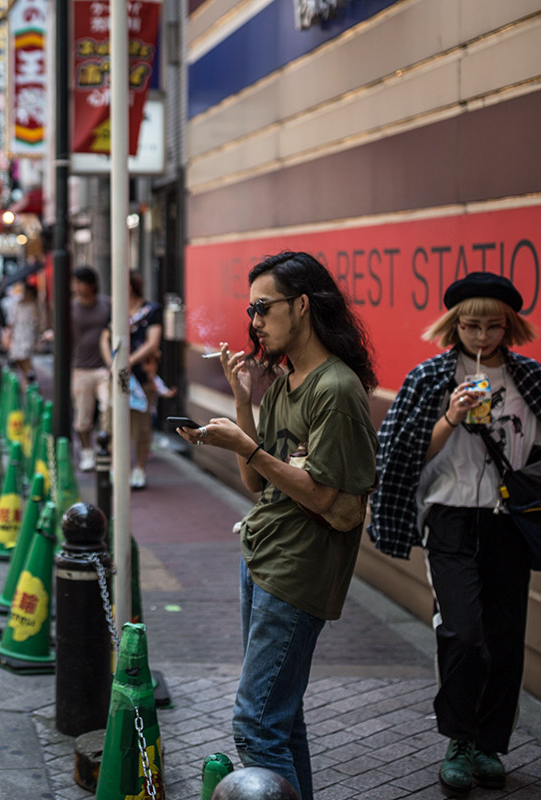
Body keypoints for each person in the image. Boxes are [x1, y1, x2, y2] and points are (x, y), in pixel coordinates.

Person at [368, 272, 541, 797]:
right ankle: (458, 739)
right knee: (463, 632)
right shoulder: (430, 377)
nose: (482, 337)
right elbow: (400, 455)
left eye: (493, 326)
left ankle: (490, 744)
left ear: (510, 326)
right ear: (454, 325)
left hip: (509, 521)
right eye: (471, 325)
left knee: (504, 636)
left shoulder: (530, 378)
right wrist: (451, 417)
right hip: (449, 517)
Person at [175, 252, 378, 800]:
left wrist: (250, 447)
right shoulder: (289, 378)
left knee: (256, 723)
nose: (254, 322)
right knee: (281, 720)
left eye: (263, 308)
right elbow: (258, 485)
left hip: (299, 568)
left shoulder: (334, 390)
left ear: (303, 305)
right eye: (251, 310)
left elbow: (330, 500)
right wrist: (243, 404)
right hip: (264, 557)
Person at [100, 272, 164, 489]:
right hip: (119, 375)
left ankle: (139, 468)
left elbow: (153, 342)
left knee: (141, 424)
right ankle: (116, 466)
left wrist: (129, 361)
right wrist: (113, 364)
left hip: (141, 375)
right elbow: (105, 337)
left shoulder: (151, 311)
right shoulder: (116, 309)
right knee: (114, 420)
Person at [70, 266, 112, 472]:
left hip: (104, 368)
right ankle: (87, 452)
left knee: (108, 408)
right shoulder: (71, 308)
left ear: (92, 284)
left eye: (80, 282)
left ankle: (106, 449)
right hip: (81, 368)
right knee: (83, 418)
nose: (76, 287)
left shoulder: (107, 305)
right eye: (75, 283)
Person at [4, 281, 40, 386]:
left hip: (28, 336)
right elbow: (11, 322)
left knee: (25, 359)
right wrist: (8, 337)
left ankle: (30, 383)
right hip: (18, 336)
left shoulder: (34, 306)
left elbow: (37, 324)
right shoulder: (18, 305)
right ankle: (27, 381)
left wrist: (37, 339)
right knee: (18, 359)